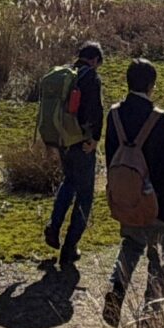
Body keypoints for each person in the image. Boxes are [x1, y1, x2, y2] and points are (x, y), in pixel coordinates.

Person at [101, 57, 164, 326]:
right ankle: (150, 315)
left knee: (130, 246)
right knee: (158, 261)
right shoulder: (159, 119)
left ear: (127, 82)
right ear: (152, 85)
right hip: (160, 204)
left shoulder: (114, 115)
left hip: (128, 199)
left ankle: (116, 290)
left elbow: (110, 156)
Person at [42, 40, 106, 266]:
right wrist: (95, 139)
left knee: (69, 182)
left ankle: (54, 226)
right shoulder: (91, 77)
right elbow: (96, 111)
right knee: (85, 194)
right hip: (81, 142)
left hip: (62, 140)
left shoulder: (64, 74)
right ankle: (70, 246)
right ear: (95, 60)